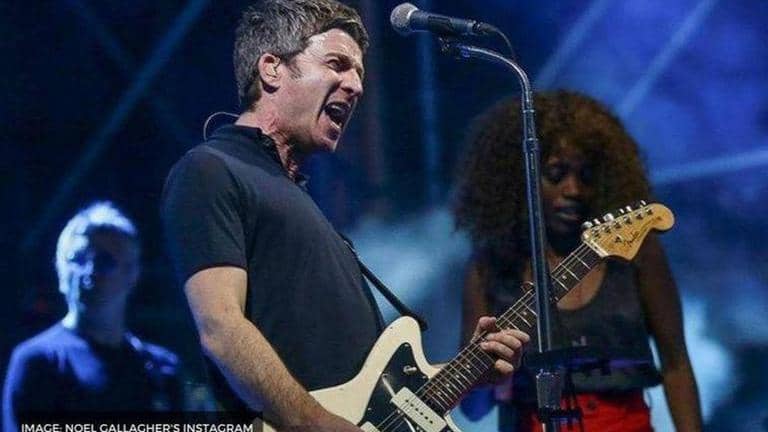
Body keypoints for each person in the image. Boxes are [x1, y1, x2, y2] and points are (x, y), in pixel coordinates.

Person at [160, 1, 530, 430]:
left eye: (359, 74)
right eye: (337, 64)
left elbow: (370, 395)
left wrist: (467, 371)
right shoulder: (211, 169)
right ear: (272, 69)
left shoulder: (298, 199)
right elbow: (221, 327)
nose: (355, 86)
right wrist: (317, 423)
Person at [453, 90, 702, 431]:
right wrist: (490, 377)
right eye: (556, 174)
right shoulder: (490, 266)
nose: (573, 189)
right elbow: (472, 408)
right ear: (520, 178)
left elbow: (676, 365)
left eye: (586, 176)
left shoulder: (635, 251)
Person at [3, 202, 182, 431]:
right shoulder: (38, 360)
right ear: (60, 269)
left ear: (132, 274)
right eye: (76, 259)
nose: (87, 273)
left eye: (104, 262)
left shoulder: (161, 367)